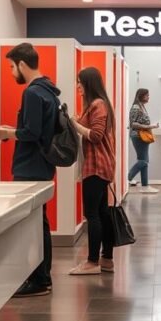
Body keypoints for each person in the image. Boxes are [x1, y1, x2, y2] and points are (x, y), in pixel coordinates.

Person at [0, 43, 61, 297]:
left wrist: (7, 132)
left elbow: (32, 133)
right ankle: (41, 277)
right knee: (38, 222)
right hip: (43, 165)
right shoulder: (49, 90)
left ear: (21, 63)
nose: (11, 72)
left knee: (34, 225)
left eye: (11, 67)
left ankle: (40, 279)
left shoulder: (32, 93)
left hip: (30, 166)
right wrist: (13, 130)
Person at [68, 67, 118, 275]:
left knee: (92, 214)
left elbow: (95, 136)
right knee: (103, 213)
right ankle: (106, 259)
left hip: (95, 166)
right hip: (101, 165)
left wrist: (74, 123)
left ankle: (92, 262)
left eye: (80, 82)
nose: (77, 86)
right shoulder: (98, 104)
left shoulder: (98, 104)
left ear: (88, 84)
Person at [127, 88, 159, 194]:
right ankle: (127, 178)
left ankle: (145, 186)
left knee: (144, 161)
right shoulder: (136, 107)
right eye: (147, 95)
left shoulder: (141, 106)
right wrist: (150, 126)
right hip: (138, 136)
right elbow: (133, 124)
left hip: (142, 136)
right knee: (144, 161)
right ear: (141, 96)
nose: (148, 97)